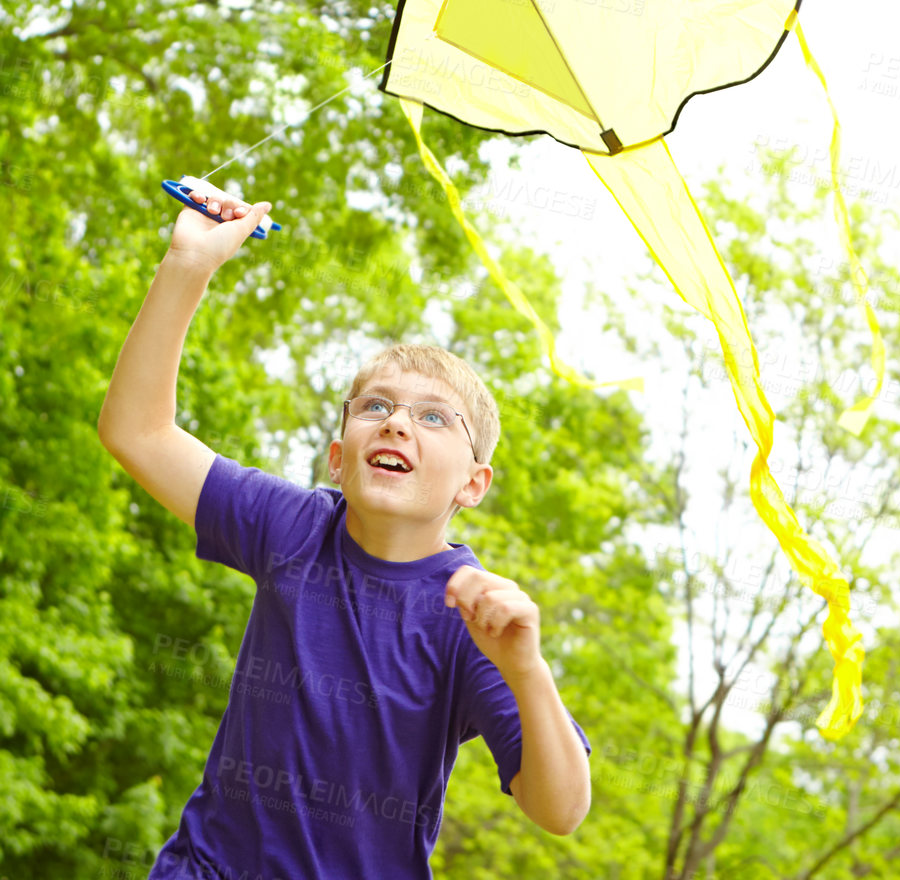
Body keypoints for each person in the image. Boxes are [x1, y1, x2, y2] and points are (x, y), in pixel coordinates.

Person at [96, 186, 592, 878]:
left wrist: (526, 672)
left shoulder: (471, 616)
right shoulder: (293, 527)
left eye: (434, 418)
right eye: (377, 407)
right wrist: (188, 264)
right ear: (338, 458)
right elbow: (137, 431)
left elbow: (560, 808)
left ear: (472, 485)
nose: (395, 423)